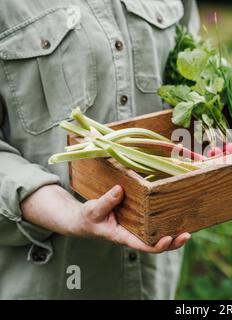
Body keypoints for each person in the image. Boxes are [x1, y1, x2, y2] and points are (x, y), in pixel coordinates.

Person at [0, 0, 199, 299]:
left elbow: (189, 70)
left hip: (155, 282)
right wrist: (70, 213)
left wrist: (220, 106)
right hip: (52, 279)